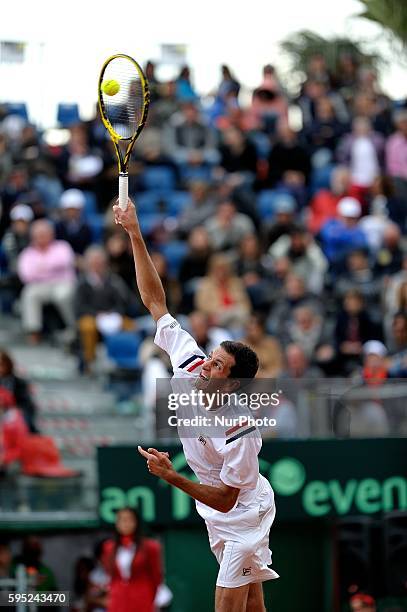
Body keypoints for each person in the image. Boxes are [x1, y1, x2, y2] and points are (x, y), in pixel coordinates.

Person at [114, 199, 279, 612]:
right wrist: (135, 232)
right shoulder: (192, 363)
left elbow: (226, 499)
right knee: (253, 601)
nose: (207, 363)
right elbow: (156, 303)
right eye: (212, 355)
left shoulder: (240, 429)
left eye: (219, 364)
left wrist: (170, 476)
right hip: (218, 512)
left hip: (245, 512)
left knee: (226, 602)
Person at [74, 246, 133, 371]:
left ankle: (126, 363)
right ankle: (89, 362)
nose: (97, 265)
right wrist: (97, 314)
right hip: (91, 316)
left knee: (131, 326)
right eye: (94, 262)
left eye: (100, 262)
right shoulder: (82, 283)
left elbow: (122, 302)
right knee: (87, 326)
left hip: (111, 316)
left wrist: (113, 313)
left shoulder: (113, 281)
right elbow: (80, 306)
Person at [17, 219, 76, 343]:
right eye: (38, 235)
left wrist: (40, 267)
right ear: (33, 237)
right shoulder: (28, 253)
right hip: (40, 286)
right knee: (29, 294)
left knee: (63, 295)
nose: (41, 237)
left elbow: (64, 262)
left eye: (44, 234)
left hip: (62, 283)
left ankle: (74, 326)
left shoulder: (62, 246)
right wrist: (51, 267)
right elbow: (26, 275)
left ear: (51, 234)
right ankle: (33, 331)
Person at [101, 507, 162, 612]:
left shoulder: (150, 547)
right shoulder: (109, 547)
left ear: (136, 522)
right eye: (121, 520)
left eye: (129, 519)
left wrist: (150, 598)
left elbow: (156, 576)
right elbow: (110, 575)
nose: (125, 523)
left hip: (142, 600)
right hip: (118, 601)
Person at [0, 349, 38, 433]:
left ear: (8, 365)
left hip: (14, 422)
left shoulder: (19, 383)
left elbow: (27, 406)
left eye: (1, 364)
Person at [55, 189, 93, 257]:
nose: (72, 213)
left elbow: (89, 246)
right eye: (69, 210)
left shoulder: (86, 227)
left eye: (75, 210)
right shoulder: (58, 227)